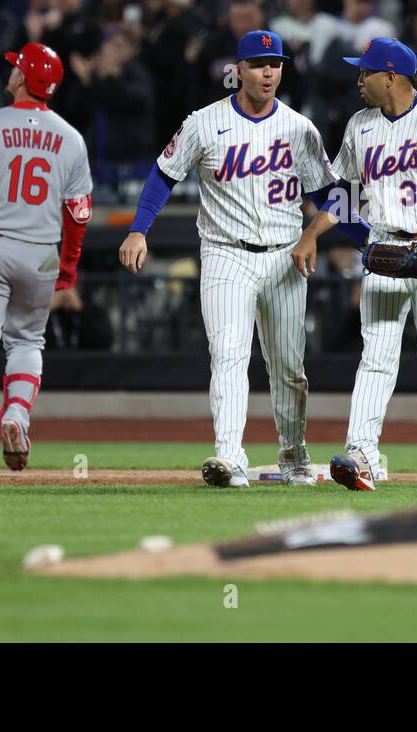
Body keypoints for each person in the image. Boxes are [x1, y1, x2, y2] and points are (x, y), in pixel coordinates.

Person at [119, 30, 352, 488]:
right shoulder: (203, 123)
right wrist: (138, 228)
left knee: (289, 368)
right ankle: (229, 457)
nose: (269, 72)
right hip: (226, 255)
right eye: (260, 64)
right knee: (228, 355)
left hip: (287, 258)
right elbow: (163, 175)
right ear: (238, 70)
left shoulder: (300, 128)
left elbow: (333, 199)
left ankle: (293, 454)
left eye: (277, 64)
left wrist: (355, 241)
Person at [291, 38, 417, 491]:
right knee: (376, 355)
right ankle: (361, 452)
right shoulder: (360, 125)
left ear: (390, 76)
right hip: (385, 249)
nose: (358, 80)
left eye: (364, 72)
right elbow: (343, 195)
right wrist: (311, 234)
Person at [0, 42, 93, 477]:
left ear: (22, 78)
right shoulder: (70, 137)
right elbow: (78, 212)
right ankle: (18, 415)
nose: (10, 72)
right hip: (41, 252)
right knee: (27, 342)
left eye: (15, 67)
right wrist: (68, 265)